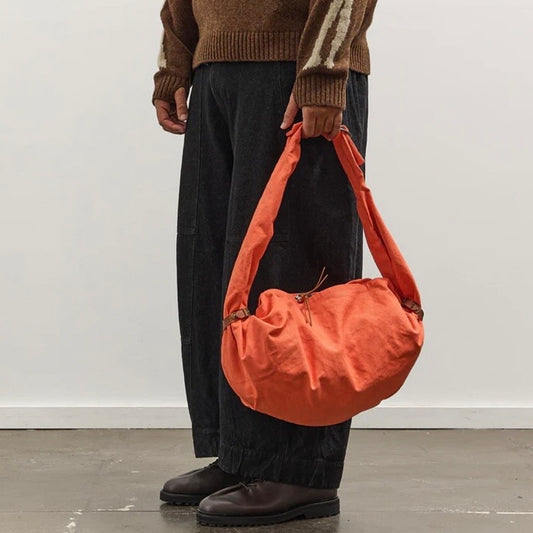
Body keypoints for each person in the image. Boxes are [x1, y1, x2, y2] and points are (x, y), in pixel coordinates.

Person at [152, 0, 378, 527]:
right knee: (218, 267)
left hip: (296, 72)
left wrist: (322, 71)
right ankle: (242, 453)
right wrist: (175, 61)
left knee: (295, 268)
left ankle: (300, 469)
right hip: (216, 71)